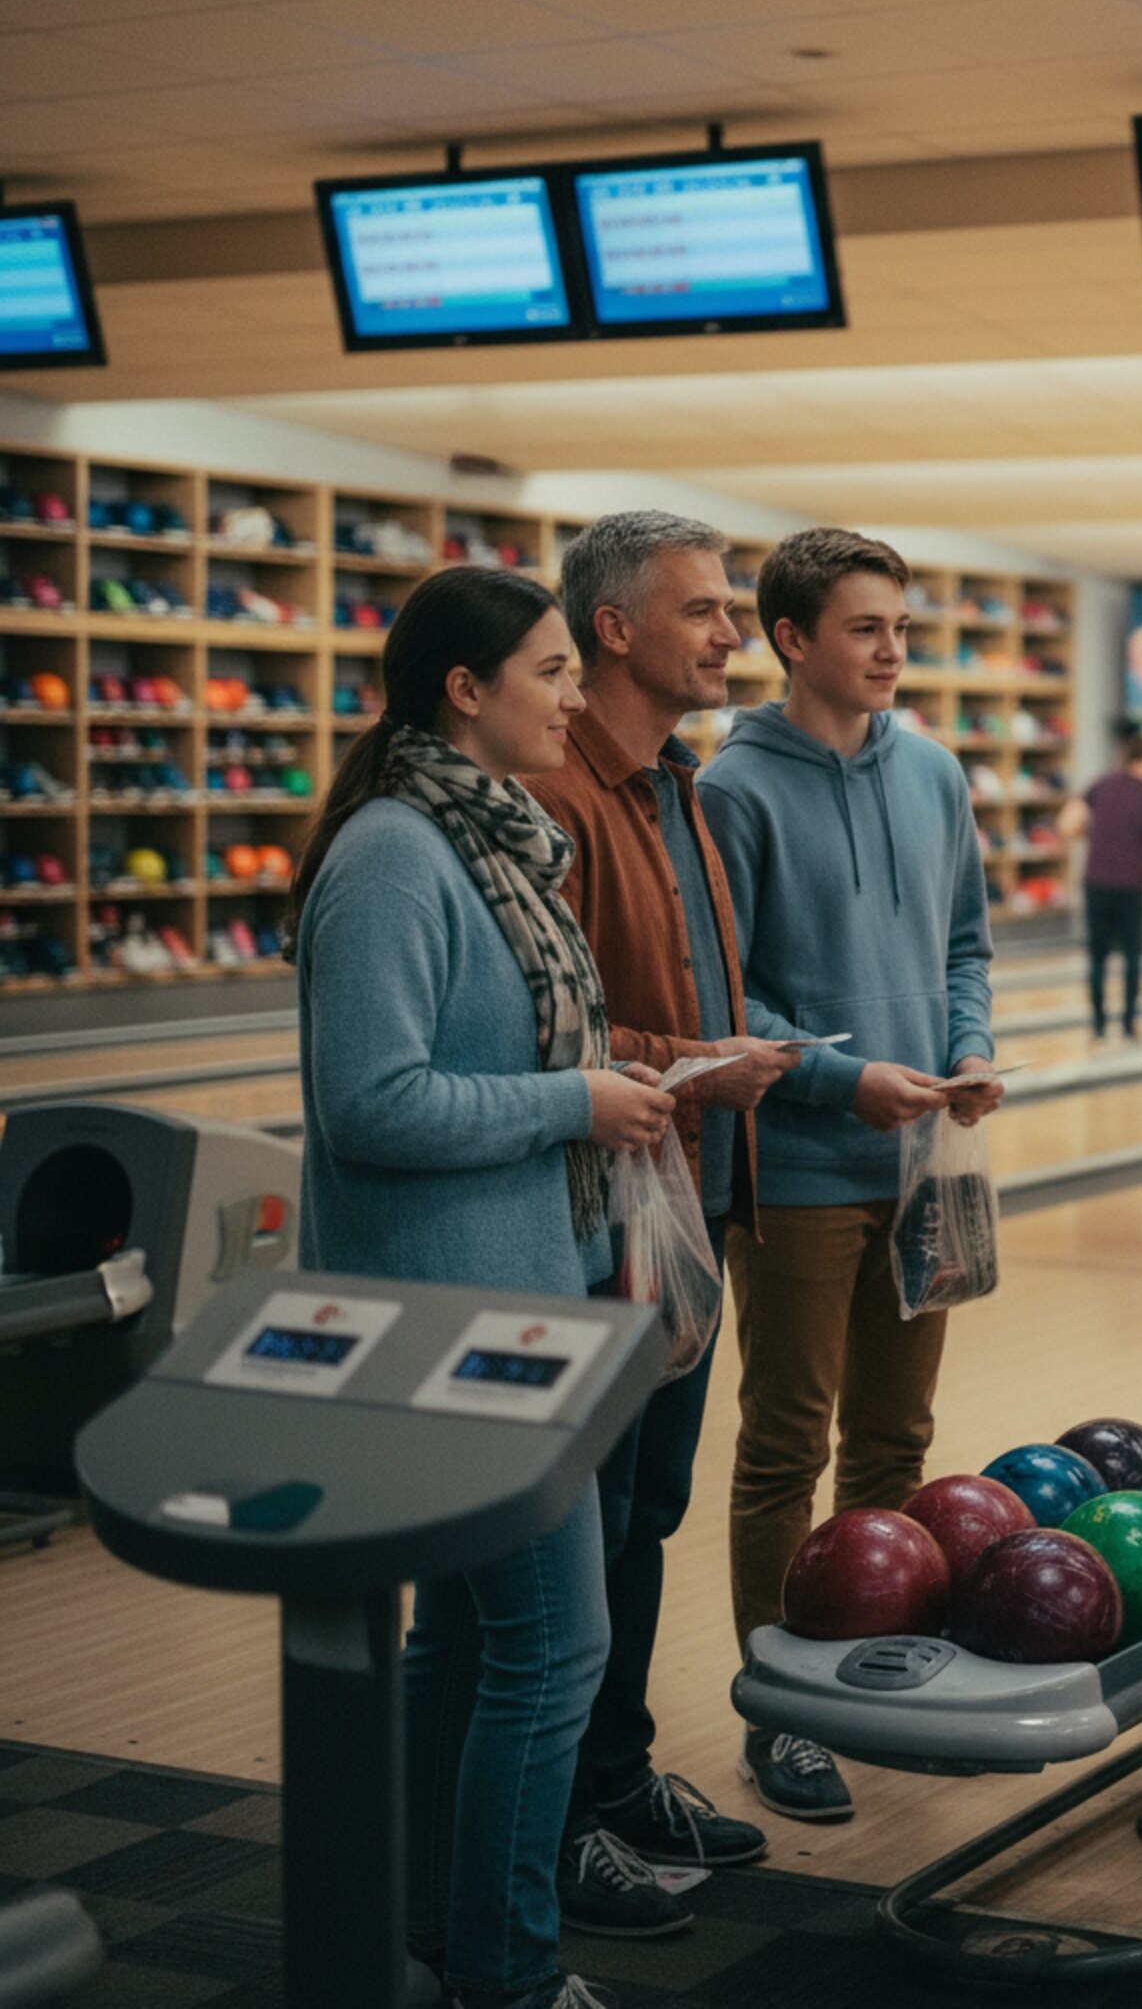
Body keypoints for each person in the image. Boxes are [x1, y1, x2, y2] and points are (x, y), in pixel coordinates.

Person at [288, 566, 676, 2009]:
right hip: (459, 1325)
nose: (577, 696)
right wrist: (575, 1103)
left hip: (524, 1297)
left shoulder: (492, 844)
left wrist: (594, 1089)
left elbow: (496, 1063)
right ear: (467, 689)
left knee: (463, 1642)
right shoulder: (398, 854)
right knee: (553, 1650)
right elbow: (373, 1106)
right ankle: (508, 1982)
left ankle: (436, 1939)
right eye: (556, 669)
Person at [523, 511, 810, 1931]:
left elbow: (698, 987)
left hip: (687, 1199)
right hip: (603, 1208)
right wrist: (698, 1067)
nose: (729, 633)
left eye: (732, 609)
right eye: (702, 610)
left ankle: (619, 1770)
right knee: (580, 1534)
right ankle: (559, 1817)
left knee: (644, 1514)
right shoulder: (562, 795)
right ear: (614, 628)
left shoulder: (676, 783)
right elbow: (547, 1033)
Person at [700, 526, 1004, 1822]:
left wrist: (971, 1045)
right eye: (867, 628)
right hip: (805, 1164)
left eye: (899, 626)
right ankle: (783, 1706)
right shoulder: (732, 789)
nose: (893, 650)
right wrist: (842, 1077)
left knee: (897, 1435)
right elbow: (726, 992)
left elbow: (966, 947)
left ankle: (866, 1663)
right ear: (791, 639)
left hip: (929, 1159)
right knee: (786, 1440)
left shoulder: (933, 770)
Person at [1058, 732, 1142, 1041]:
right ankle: (1128, 1024)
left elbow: (1067, 824)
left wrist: (1096, 837)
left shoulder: (1100, 785)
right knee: (1133, 958)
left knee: (1097, 957)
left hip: (1095, 882)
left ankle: (1097, 1025)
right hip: (1132, 886)